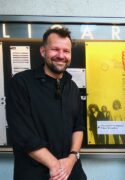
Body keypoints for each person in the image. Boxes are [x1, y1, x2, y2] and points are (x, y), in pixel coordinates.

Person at [6, 27, 87, 180]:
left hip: (72, 172)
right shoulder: (21, 84)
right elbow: (23, 134)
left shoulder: (72, 87)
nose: (61, 55)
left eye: (66, 51)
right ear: (43, 51)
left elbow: (78, 127)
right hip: (35, 174)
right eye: (55, 49)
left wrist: (71, 159)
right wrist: (56, 167)